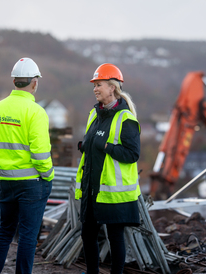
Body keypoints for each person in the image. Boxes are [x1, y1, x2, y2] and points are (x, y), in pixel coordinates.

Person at [0, 57, 54, 274]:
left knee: (4, 231)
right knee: (28, 235)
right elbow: (41, 155)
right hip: (32, 184)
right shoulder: (36, 112)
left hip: (5, 181)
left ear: (14, 81)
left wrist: (3, 168)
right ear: (34, 82)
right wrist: (48, 176)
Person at [75, 63, 141, 274]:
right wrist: (86, 146)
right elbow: (92, 144)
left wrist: (107, 147)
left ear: (112, 87)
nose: (95, 88)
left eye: (99, 84)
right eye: (94, 85)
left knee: (115, 238)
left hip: (113, 193)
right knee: (87, 234)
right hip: (91, 190)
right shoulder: (94, 115)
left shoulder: (126, 118)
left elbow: (132, 155)